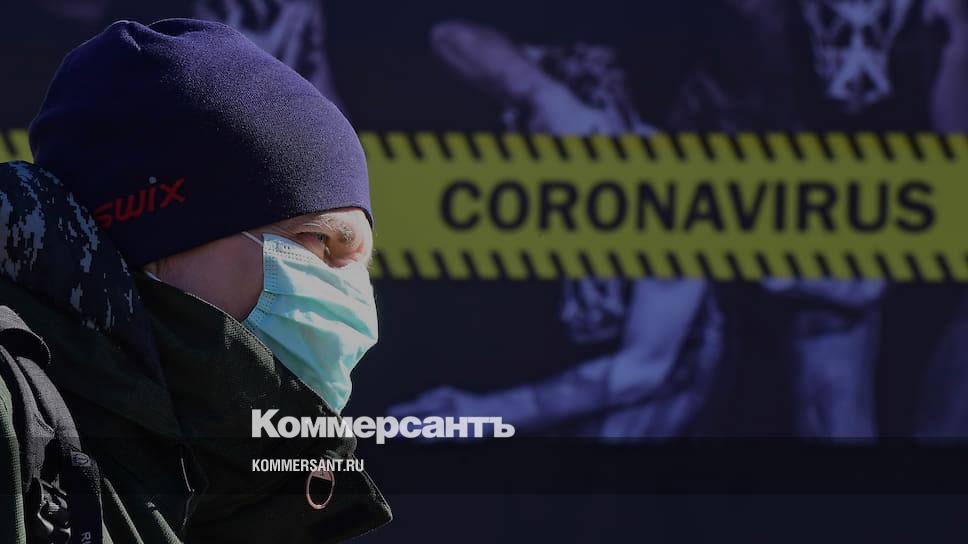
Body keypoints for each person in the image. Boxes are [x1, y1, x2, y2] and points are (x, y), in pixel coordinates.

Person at [0, 18, 390, 543]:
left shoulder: (218, 483)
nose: (352, 298)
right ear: (158, 238)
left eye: (359, 264)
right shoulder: (11, 423)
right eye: (320, 242)